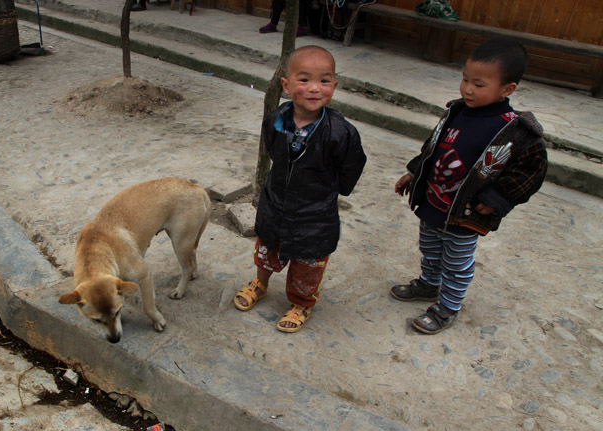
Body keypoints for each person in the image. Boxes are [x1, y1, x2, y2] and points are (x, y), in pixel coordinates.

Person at [391, 37, 547, 334]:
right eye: (465, 79)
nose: (467, 89)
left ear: (507, 89)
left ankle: (448, 308)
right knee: (430, 248)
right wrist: (415, 172)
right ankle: (428, 284)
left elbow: (532, 171)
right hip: (434, 203)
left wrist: (499, 198)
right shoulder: (456, 111)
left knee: (457, 262)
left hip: (465, 213)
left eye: (479, 84)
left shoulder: (515, 130)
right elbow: (434, 146)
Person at [234, 45, 366, 333]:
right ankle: (261, 283)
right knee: (268, 248)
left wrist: (333, 190)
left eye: (324, 80)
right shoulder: (276, 121)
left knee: (308, 264)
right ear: (286, 85)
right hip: (275, 202)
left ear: (335, 85)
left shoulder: (341, 132)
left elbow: (352, 165)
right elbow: (273, 152)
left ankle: (302, 301)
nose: (314, 89)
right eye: (304, 79)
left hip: (314, 214)